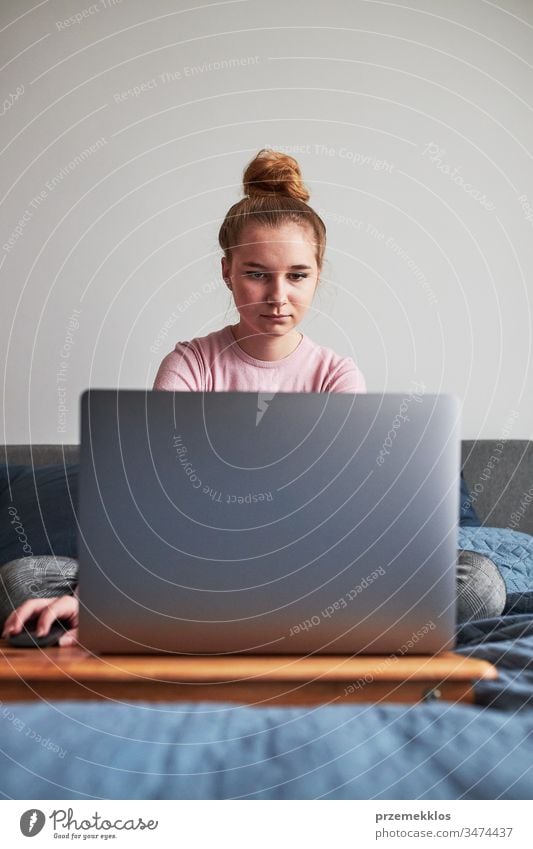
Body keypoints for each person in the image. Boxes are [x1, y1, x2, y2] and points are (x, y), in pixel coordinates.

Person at [0, 148, 506, 647]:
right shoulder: (190, 364)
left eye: (297, 275)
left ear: (318, 273)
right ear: (227, 272)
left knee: (477, 581)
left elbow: (349, 513)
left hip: (314, 573)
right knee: (21, 579)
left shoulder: (336, 375)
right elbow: (151, 503)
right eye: (257, 273)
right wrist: (101, 592)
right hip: (194, 571)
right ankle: (278, 625)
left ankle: (240, 623)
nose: (278, 295)